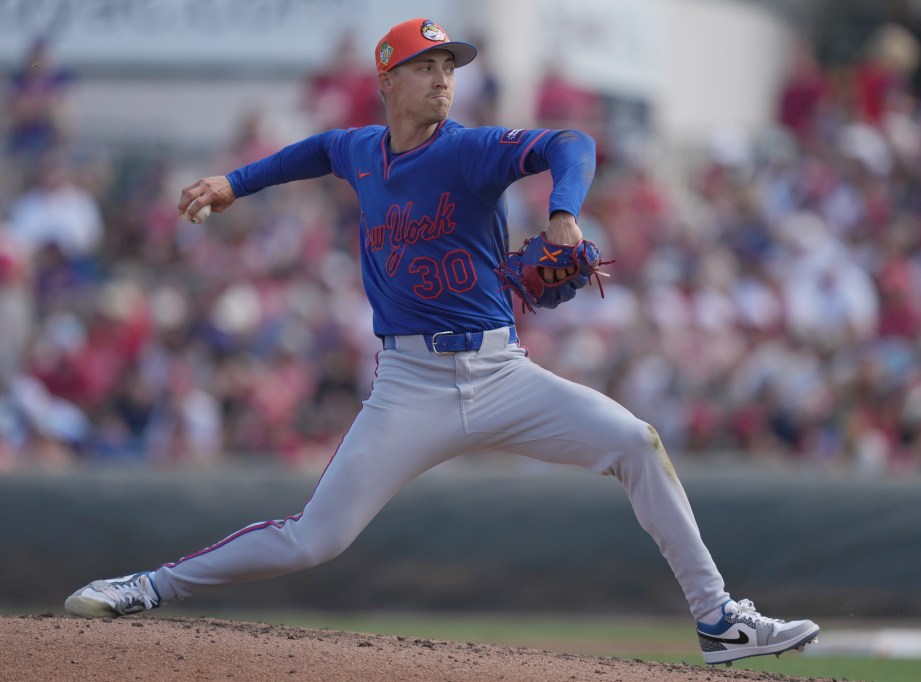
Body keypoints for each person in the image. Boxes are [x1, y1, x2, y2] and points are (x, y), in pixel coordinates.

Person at [64, 18, 819, 666]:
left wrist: (563, 210)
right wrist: (234, 183)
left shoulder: (468, 150)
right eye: (425, 67)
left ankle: (718, 619)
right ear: (387, 81)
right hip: (409, 386)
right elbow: (313, 152)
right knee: (315, 539)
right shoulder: (360, 150)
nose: (443, 79)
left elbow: (571, 141)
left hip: (501, 373)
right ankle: (147, 586)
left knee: (636, 441)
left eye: (449, 67)